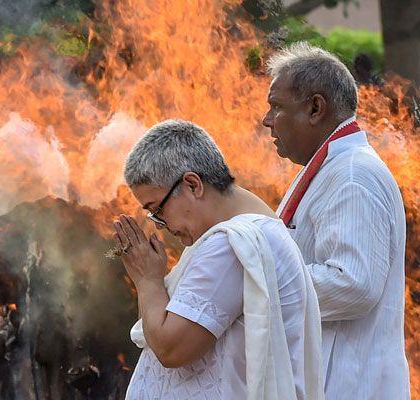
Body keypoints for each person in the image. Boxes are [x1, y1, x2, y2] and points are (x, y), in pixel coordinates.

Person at [115, 119, 323, 400]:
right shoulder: (245, 231)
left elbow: (170, 347)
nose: (161, 224)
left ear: (192, 185)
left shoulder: (232, 244)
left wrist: (147, 279)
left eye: (157, 209)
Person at [262, 42, 409, 399]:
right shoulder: (333, 167)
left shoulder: (353, 174)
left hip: (349, 386)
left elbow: (354, 284)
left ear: (315, 108)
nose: (267, 120)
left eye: (276, 107)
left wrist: (256, 281)